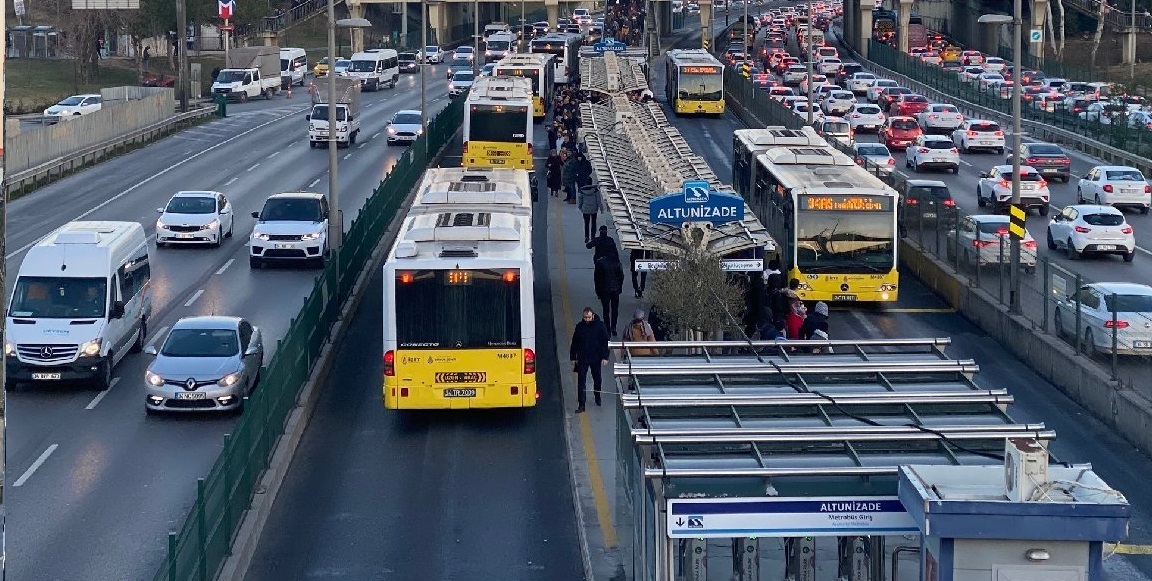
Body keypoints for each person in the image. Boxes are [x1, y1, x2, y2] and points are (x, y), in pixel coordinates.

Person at [569, 307, 610, 412]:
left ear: (593, 316)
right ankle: (581, 405)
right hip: (582, 358)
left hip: (596, 358)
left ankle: (597, 395)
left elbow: (605, 342)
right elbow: (575, 342)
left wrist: (605, 357)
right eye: (585, 317)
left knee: (597, 378)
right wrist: (573, 357)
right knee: (581, 381)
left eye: (588, 317)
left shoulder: (600, 326)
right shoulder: (580, 327)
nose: (586, 319)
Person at [594, 252, 625, 336]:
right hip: (615, 289)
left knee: (606, 310)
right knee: (615, 309)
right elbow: (621, 276)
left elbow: (596, 278)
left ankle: (607, 328)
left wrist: (597, 290)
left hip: (604, 290)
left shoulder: (600, 263)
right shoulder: (617, 263)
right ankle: (613, 327)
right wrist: (619, 287)